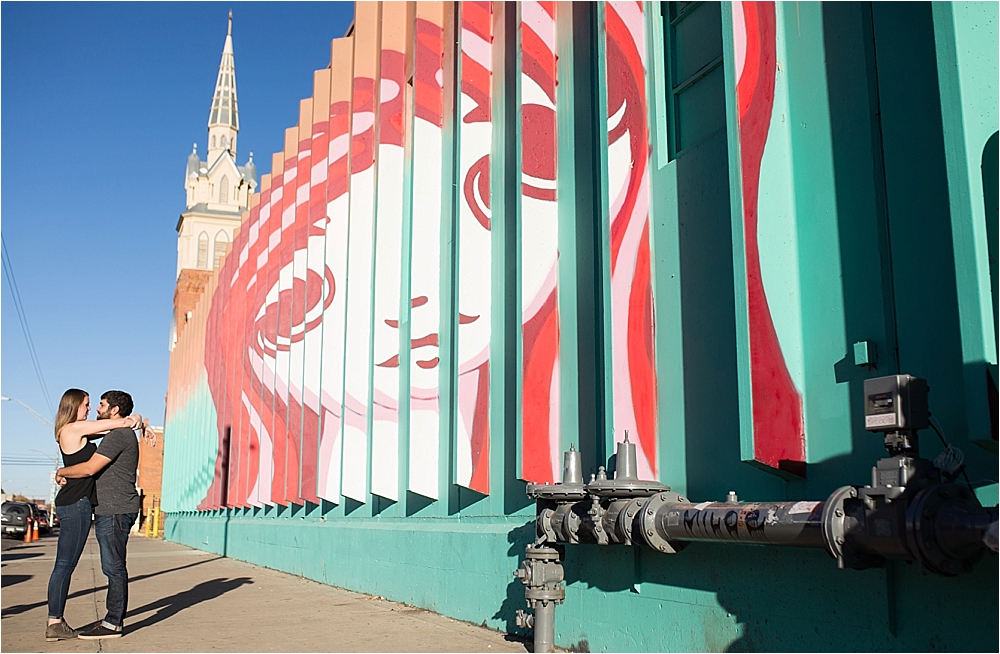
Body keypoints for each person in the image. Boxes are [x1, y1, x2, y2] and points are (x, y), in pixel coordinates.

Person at [45, 389, 143, 642]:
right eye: (88, 404)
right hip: (76, 504)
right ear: (74, 405)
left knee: (102, 566)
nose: (91, 409)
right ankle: (55, 621)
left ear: (113, 409)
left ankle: (108, 621)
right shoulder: (72, 430)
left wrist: (140, 422)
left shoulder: (92, 431)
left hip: (88, 505)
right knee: (65, 565)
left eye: (97, 404)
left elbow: (120, 424)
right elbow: (120, 424)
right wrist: (63, 471)